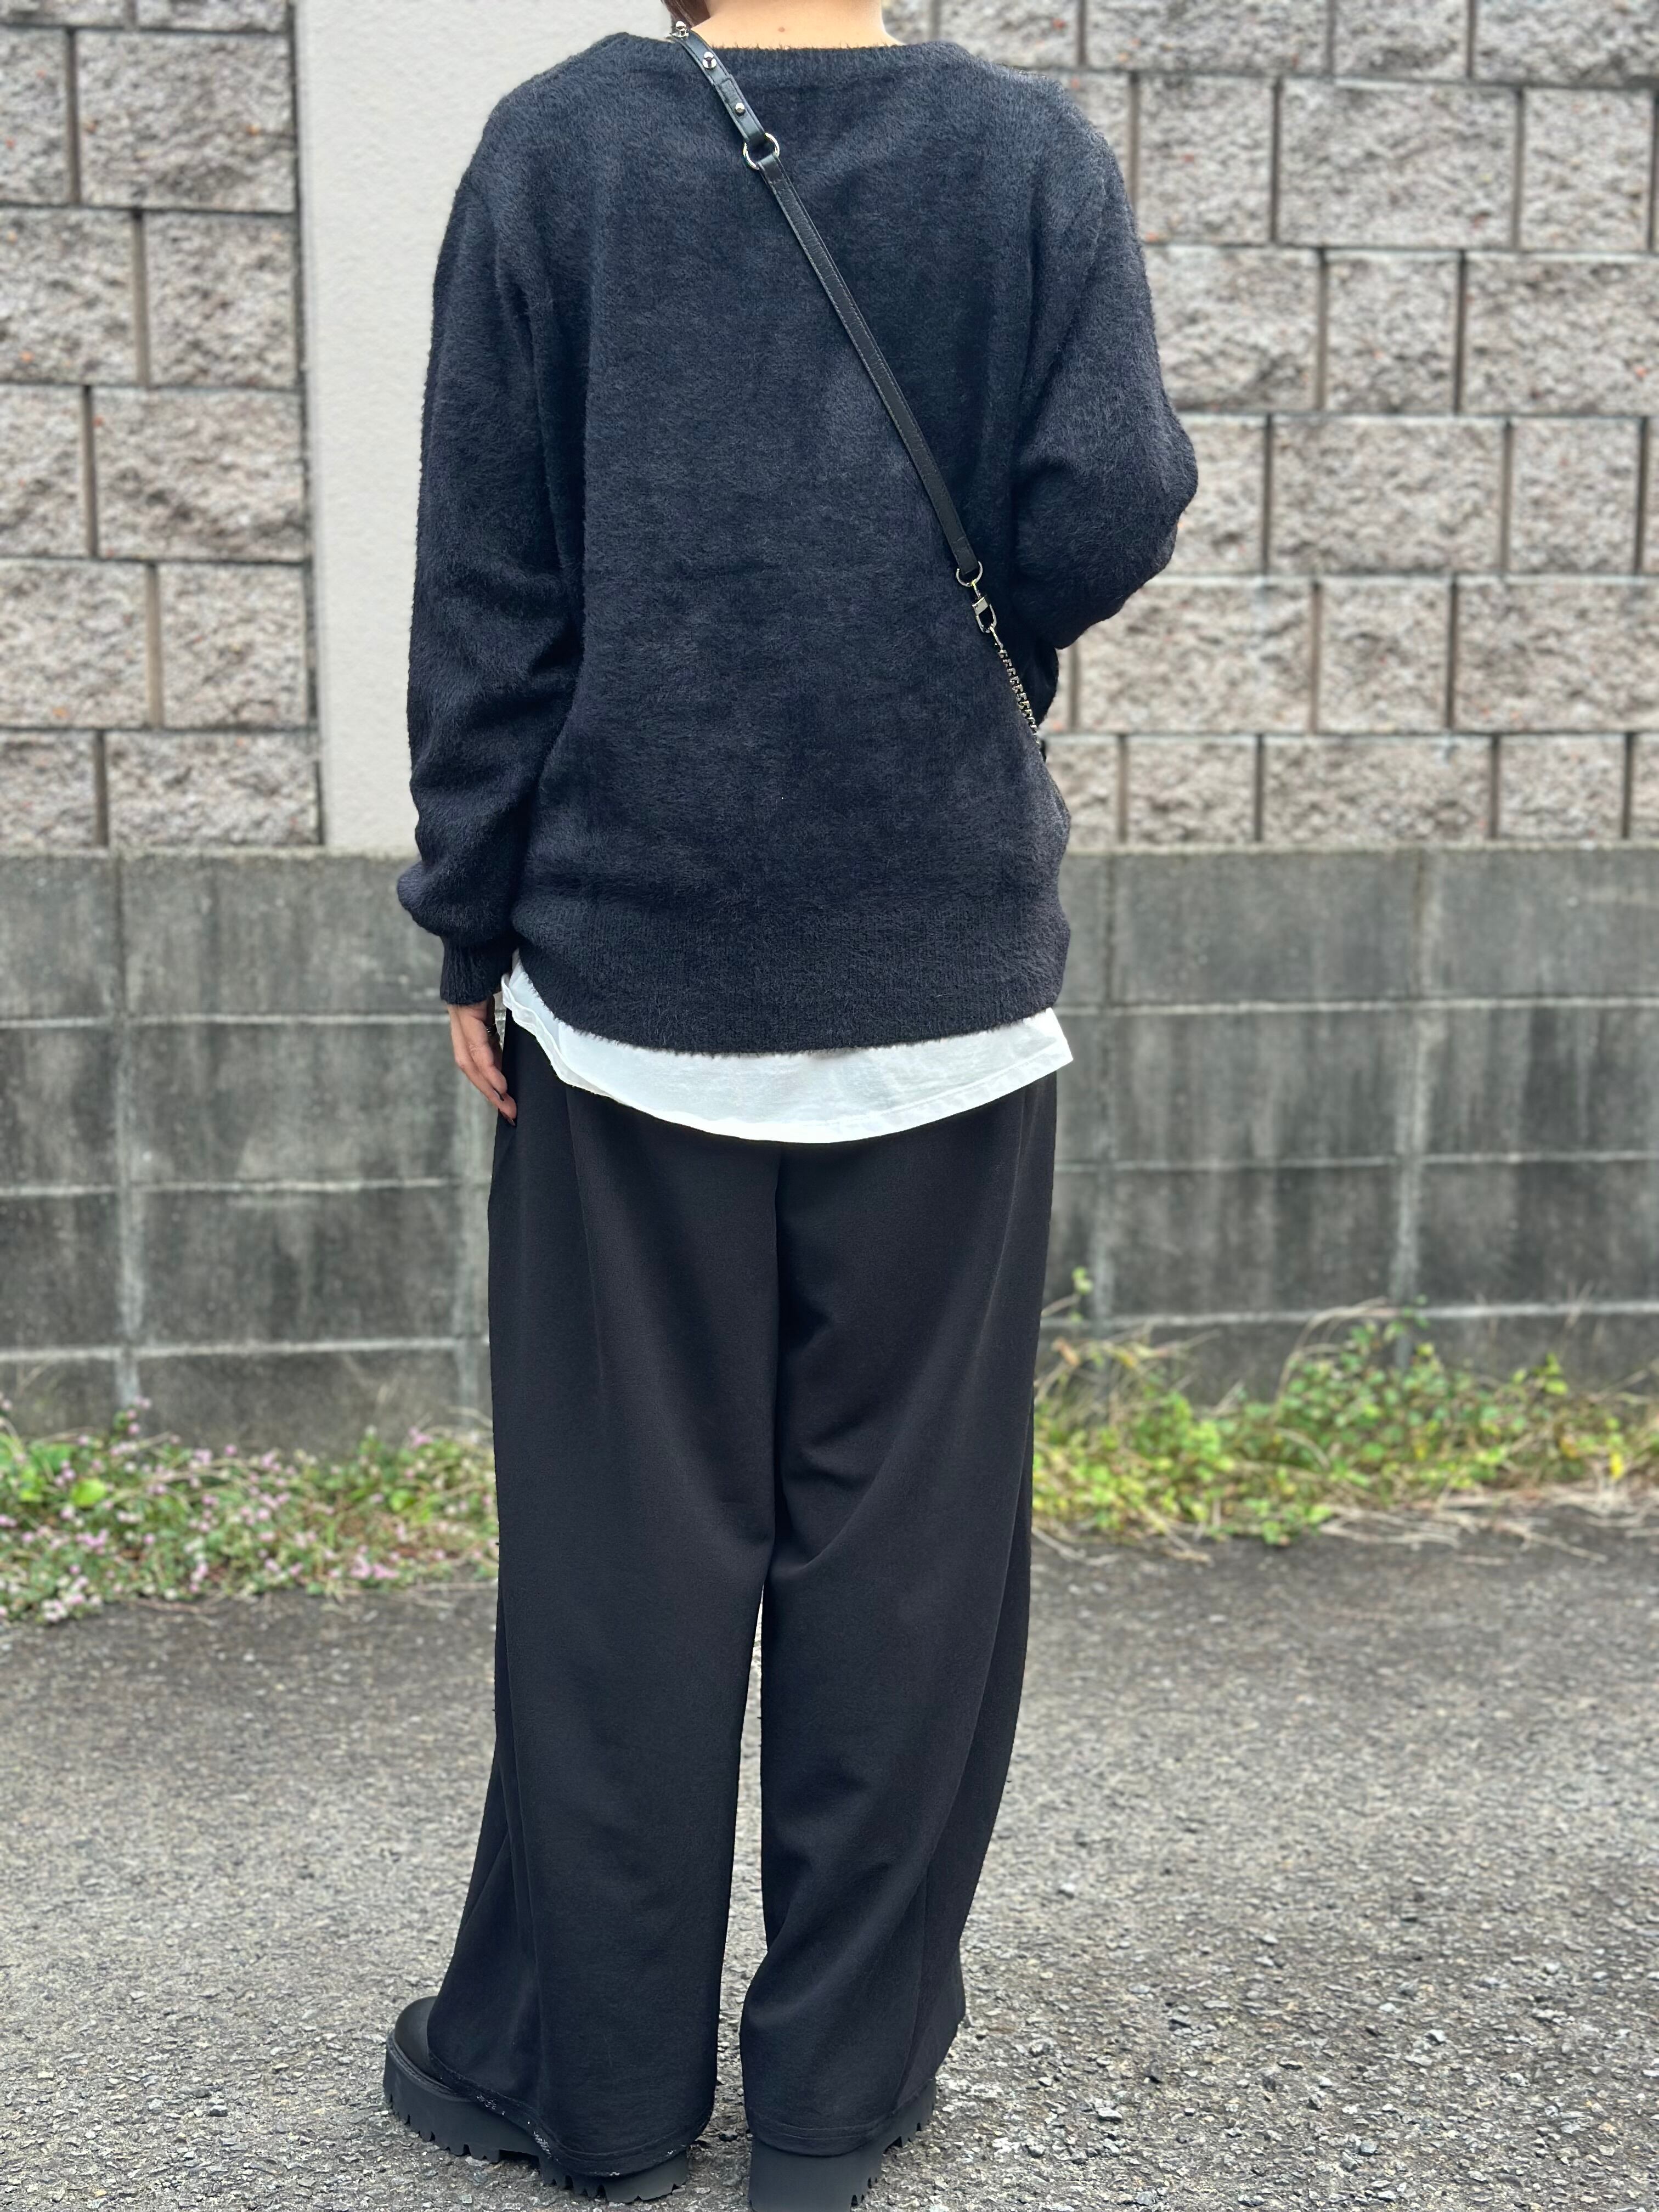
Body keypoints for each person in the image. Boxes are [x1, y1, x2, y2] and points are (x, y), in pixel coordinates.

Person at [383, 0, 1195, 2203]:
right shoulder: (1030, 159)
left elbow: (491, 582)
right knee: (906, 1569)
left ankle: (594, 2088)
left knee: (620, 1566)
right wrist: (957, 635)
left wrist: (472, 916)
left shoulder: (561, 151)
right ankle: (835, 2107)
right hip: (942, 986)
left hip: (631, 985)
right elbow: (1115, 494)